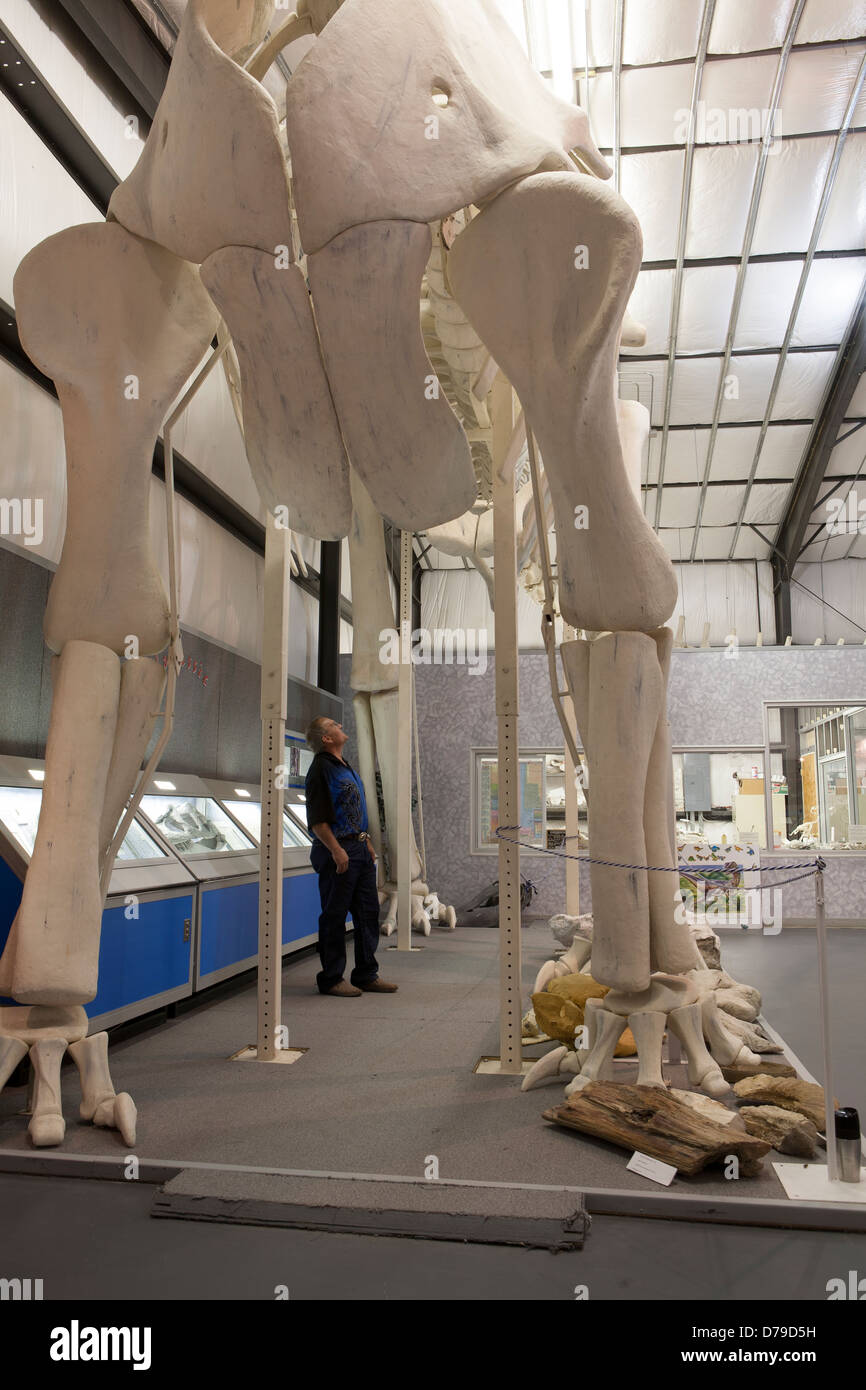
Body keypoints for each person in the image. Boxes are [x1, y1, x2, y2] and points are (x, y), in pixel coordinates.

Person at [304, 715, 398, 997]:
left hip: (357, 848)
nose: (341, 726)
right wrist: (336, 849)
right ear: (326, 738)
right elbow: (318, 818)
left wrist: (364, 839)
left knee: (368, 912)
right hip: (337, 851)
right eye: (334, 725)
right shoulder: (321, 769)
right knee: (334, 915)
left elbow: (351, 810)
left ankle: (366, 973)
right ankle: (331, 978)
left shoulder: (344, 765)